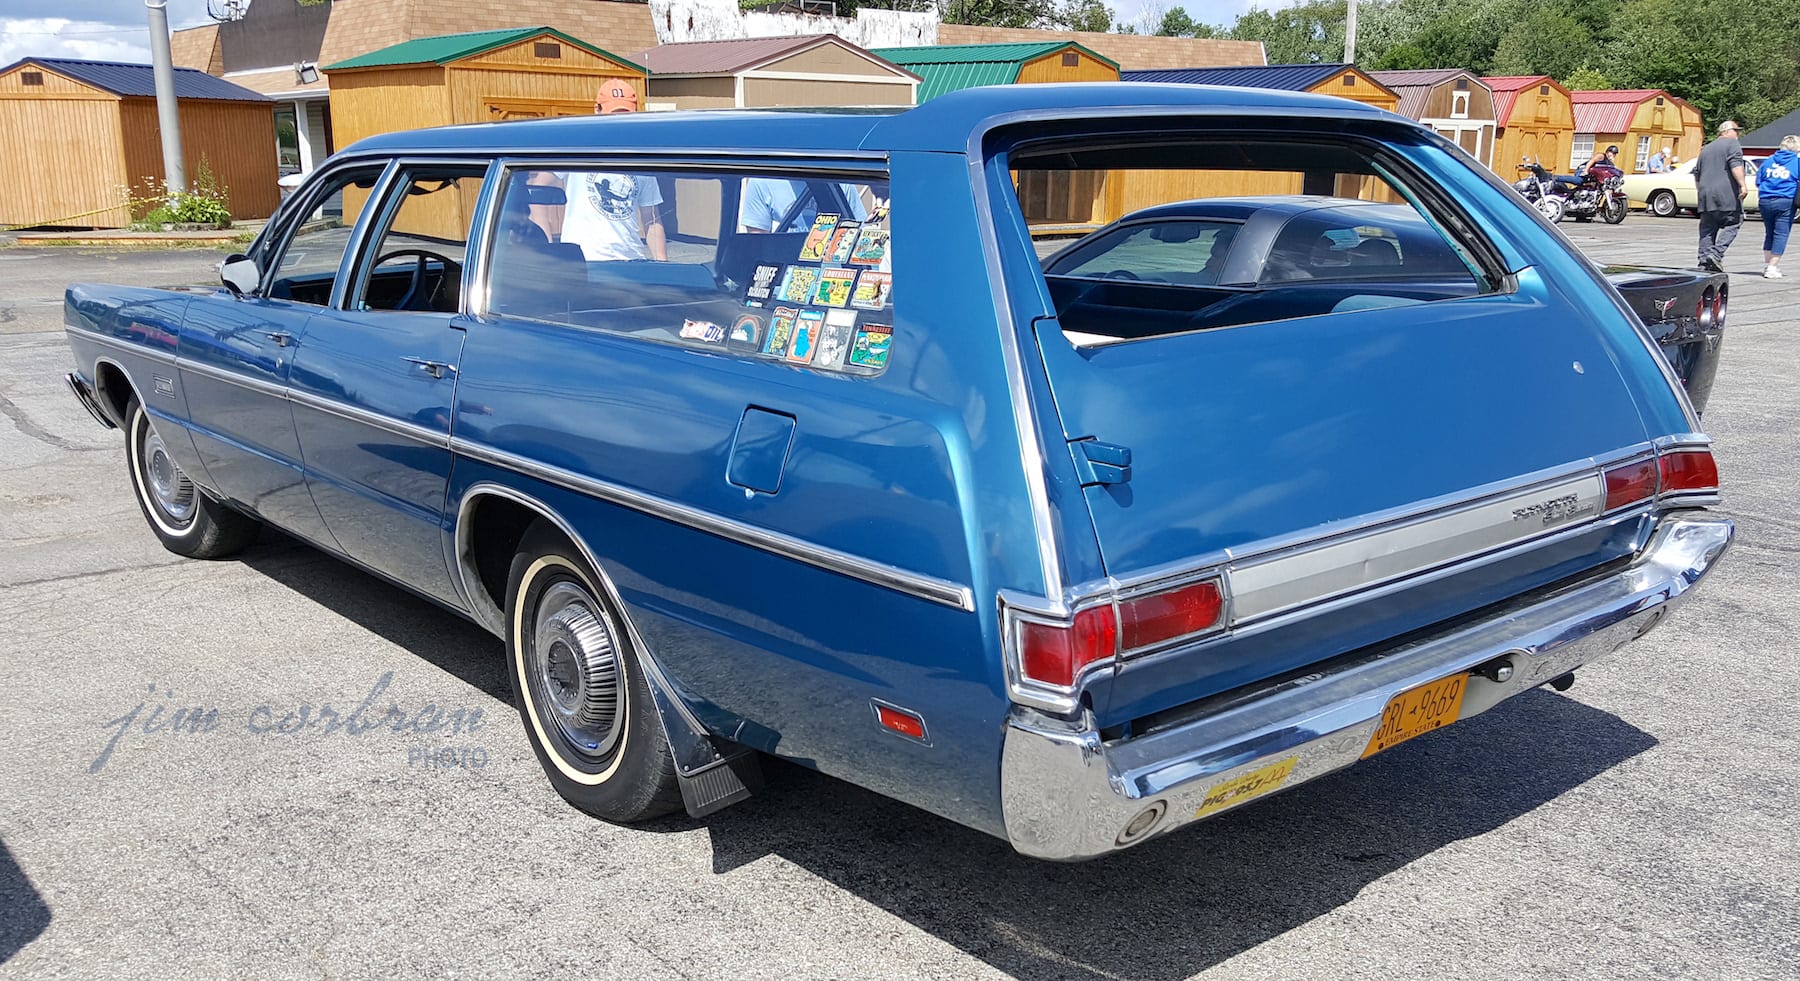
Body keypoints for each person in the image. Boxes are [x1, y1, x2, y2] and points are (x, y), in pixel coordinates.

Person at [1694, 121, 1750, 273]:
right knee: (1734, 222)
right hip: (1726, 193)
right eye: (1735, 131)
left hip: (1706, 194)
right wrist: (1743, 185)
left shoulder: (1706, 148)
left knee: (1707, 228)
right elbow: (1735, 165)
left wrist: (1701, 191)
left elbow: (1697, 173)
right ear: (1726, 131)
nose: (1738, 134)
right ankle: (1716, 254)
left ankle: (1704, 262)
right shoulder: (1732, 144)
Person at [1756, 135, 1800, 278]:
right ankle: (1772, 267)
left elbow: (1758, 181)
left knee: (1769, 232)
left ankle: (1769, 264)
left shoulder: (1768, 161)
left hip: (1765, 200)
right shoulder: (1796, 162)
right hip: (1785, 200)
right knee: (1781, 234)